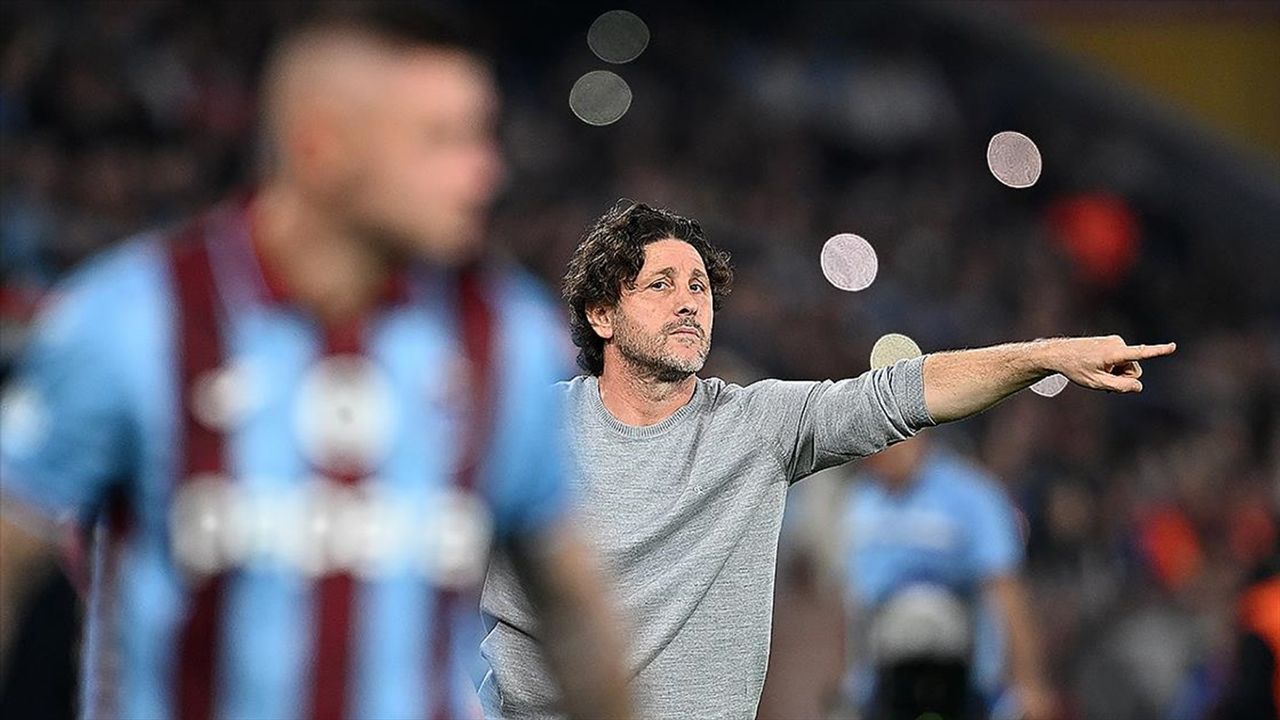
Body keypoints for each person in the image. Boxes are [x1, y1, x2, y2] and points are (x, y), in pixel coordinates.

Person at [0, 7, 630, 720]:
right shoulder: (133, 319)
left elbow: (576, 615)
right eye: (443, 140)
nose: (487, 171)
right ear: (320, 148)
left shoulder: (508, 337)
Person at [479, 199, 1176, 719]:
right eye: (661, 284)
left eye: (699, 287)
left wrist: (1042, 356)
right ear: (601, 315)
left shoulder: (758, 427)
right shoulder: (525, 422)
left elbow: (906, 391)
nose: (689, 303)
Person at [841, 435, 1053, 720]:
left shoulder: (972, 494)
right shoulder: (859, 500)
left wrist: (1030, 683)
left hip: (961, 682)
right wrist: (850, 686)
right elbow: (848, 600)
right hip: (882, 682)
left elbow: (1007, 592)